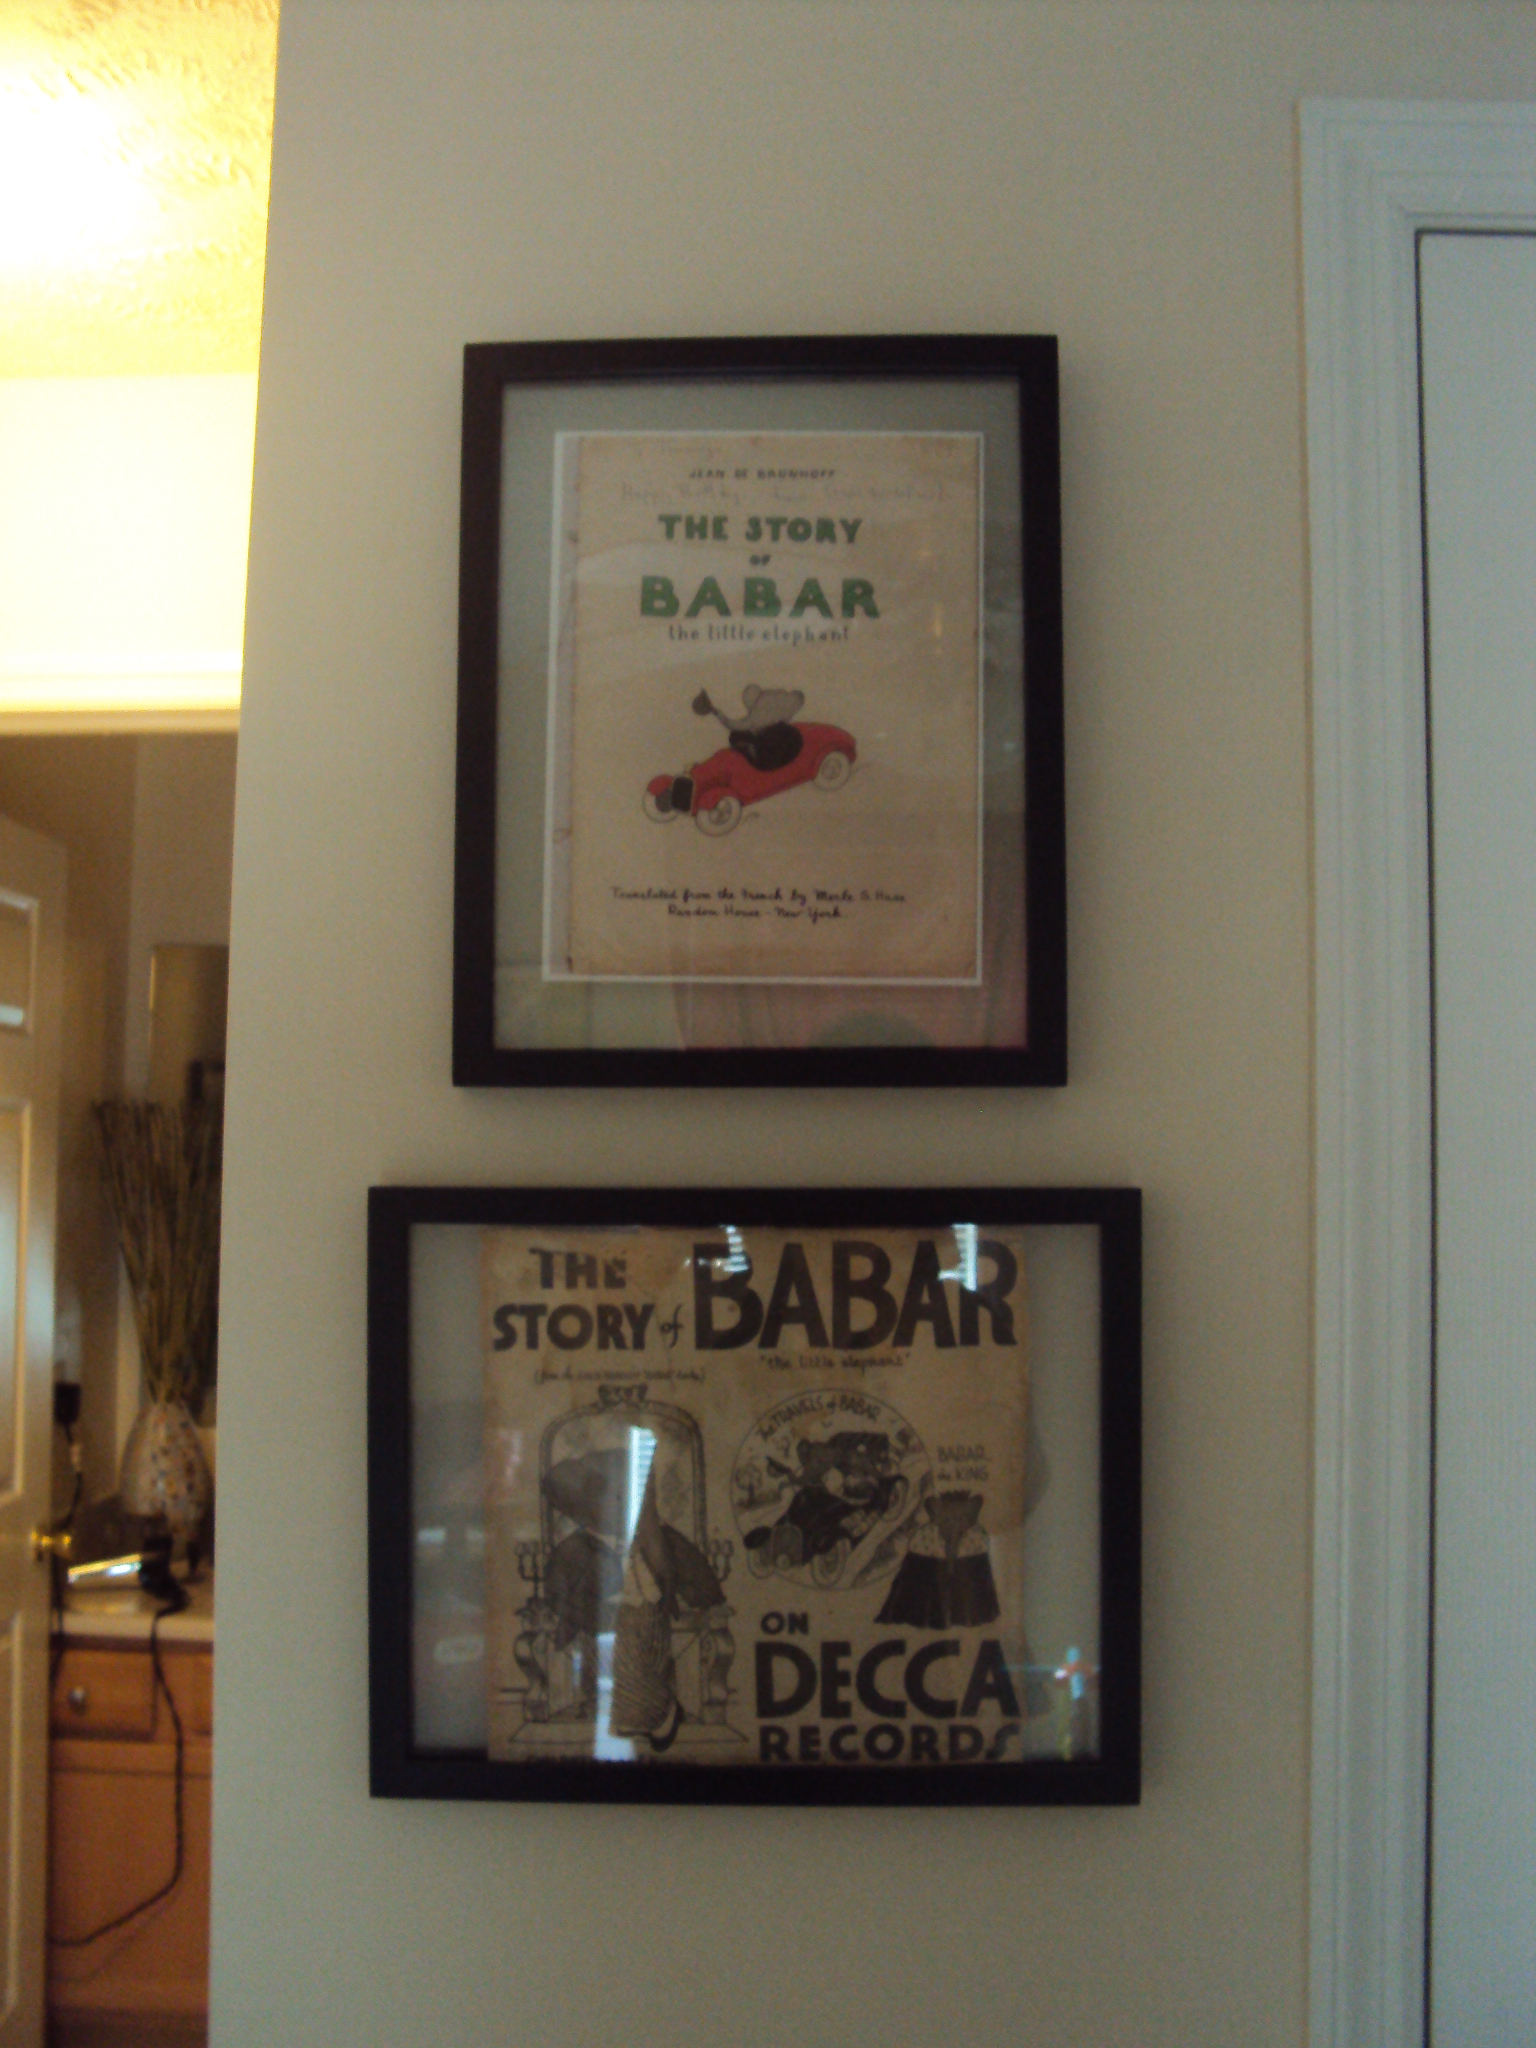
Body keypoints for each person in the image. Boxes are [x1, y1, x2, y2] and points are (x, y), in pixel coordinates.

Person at [692, 684, 805, 772]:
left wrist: (716, 712)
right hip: (787, 746)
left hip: (769, 757)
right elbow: (799, 697)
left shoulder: (758, 716)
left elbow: (733, 725)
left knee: (736, 737)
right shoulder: (775, 702)